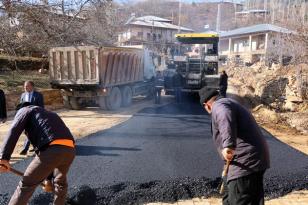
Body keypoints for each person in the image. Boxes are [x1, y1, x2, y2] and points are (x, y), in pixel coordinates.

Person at [199, 88, 270, 205]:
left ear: (207, 105)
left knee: (239, 199)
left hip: (245, 162)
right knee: (231, 198)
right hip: (254, 158)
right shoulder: (229, 102)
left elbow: (224, 115)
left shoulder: (219, 106)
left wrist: (228, 145)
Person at [0, 102, 75, 205]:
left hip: (51, 149)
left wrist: (4, 157)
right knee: (60, 183)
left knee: (26, 185)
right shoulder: (50, 114)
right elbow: (49, 157)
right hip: (70, 150)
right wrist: (48, 180)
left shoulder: (25, 110)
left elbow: (14, 130)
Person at [19, 81, 44, 155]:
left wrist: (40, 116)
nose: (25, 88)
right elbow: (21, 106)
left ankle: (25, 148)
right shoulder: (23, 95)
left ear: (32, 86)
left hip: (35, 117)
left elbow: (41, 107)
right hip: (25, 117)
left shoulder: (38, 95)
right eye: (24, 86)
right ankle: (35, 147)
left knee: (31, 132)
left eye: (27, 86)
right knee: (28, 132)